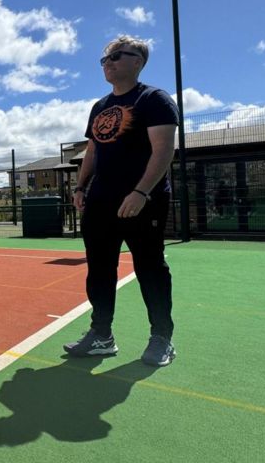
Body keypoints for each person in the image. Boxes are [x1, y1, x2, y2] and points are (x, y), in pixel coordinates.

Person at [65, 35, 179, 367]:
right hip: (100, 202)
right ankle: (101, 336)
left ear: (137, 61)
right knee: (99, 270)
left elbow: (163, 151)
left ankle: (161, 338)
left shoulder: (153, 99)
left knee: (150, 268)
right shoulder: (99, 107)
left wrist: (141, 192)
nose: (108, 62)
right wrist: (80, 187)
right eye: (104, 59)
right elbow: (94, 150)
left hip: (143, 201)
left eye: (116, 56)